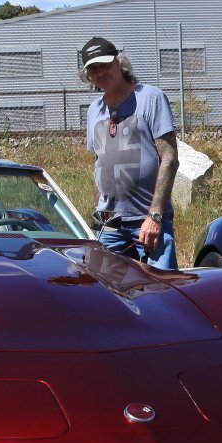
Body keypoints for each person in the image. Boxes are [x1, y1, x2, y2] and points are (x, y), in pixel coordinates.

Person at [81, 36, 181, 269]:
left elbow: (169, 159)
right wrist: (99, 213)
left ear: (119, 63)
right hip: (109, 224)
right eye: (93, 68)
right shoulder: (94, 110)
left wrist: (155, 215)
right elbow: (100, 163)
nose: (100, 72)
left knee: (160, 286)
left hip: (147, 221)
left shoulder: (150, 98)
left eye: (105, 65)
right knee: (108, 287)